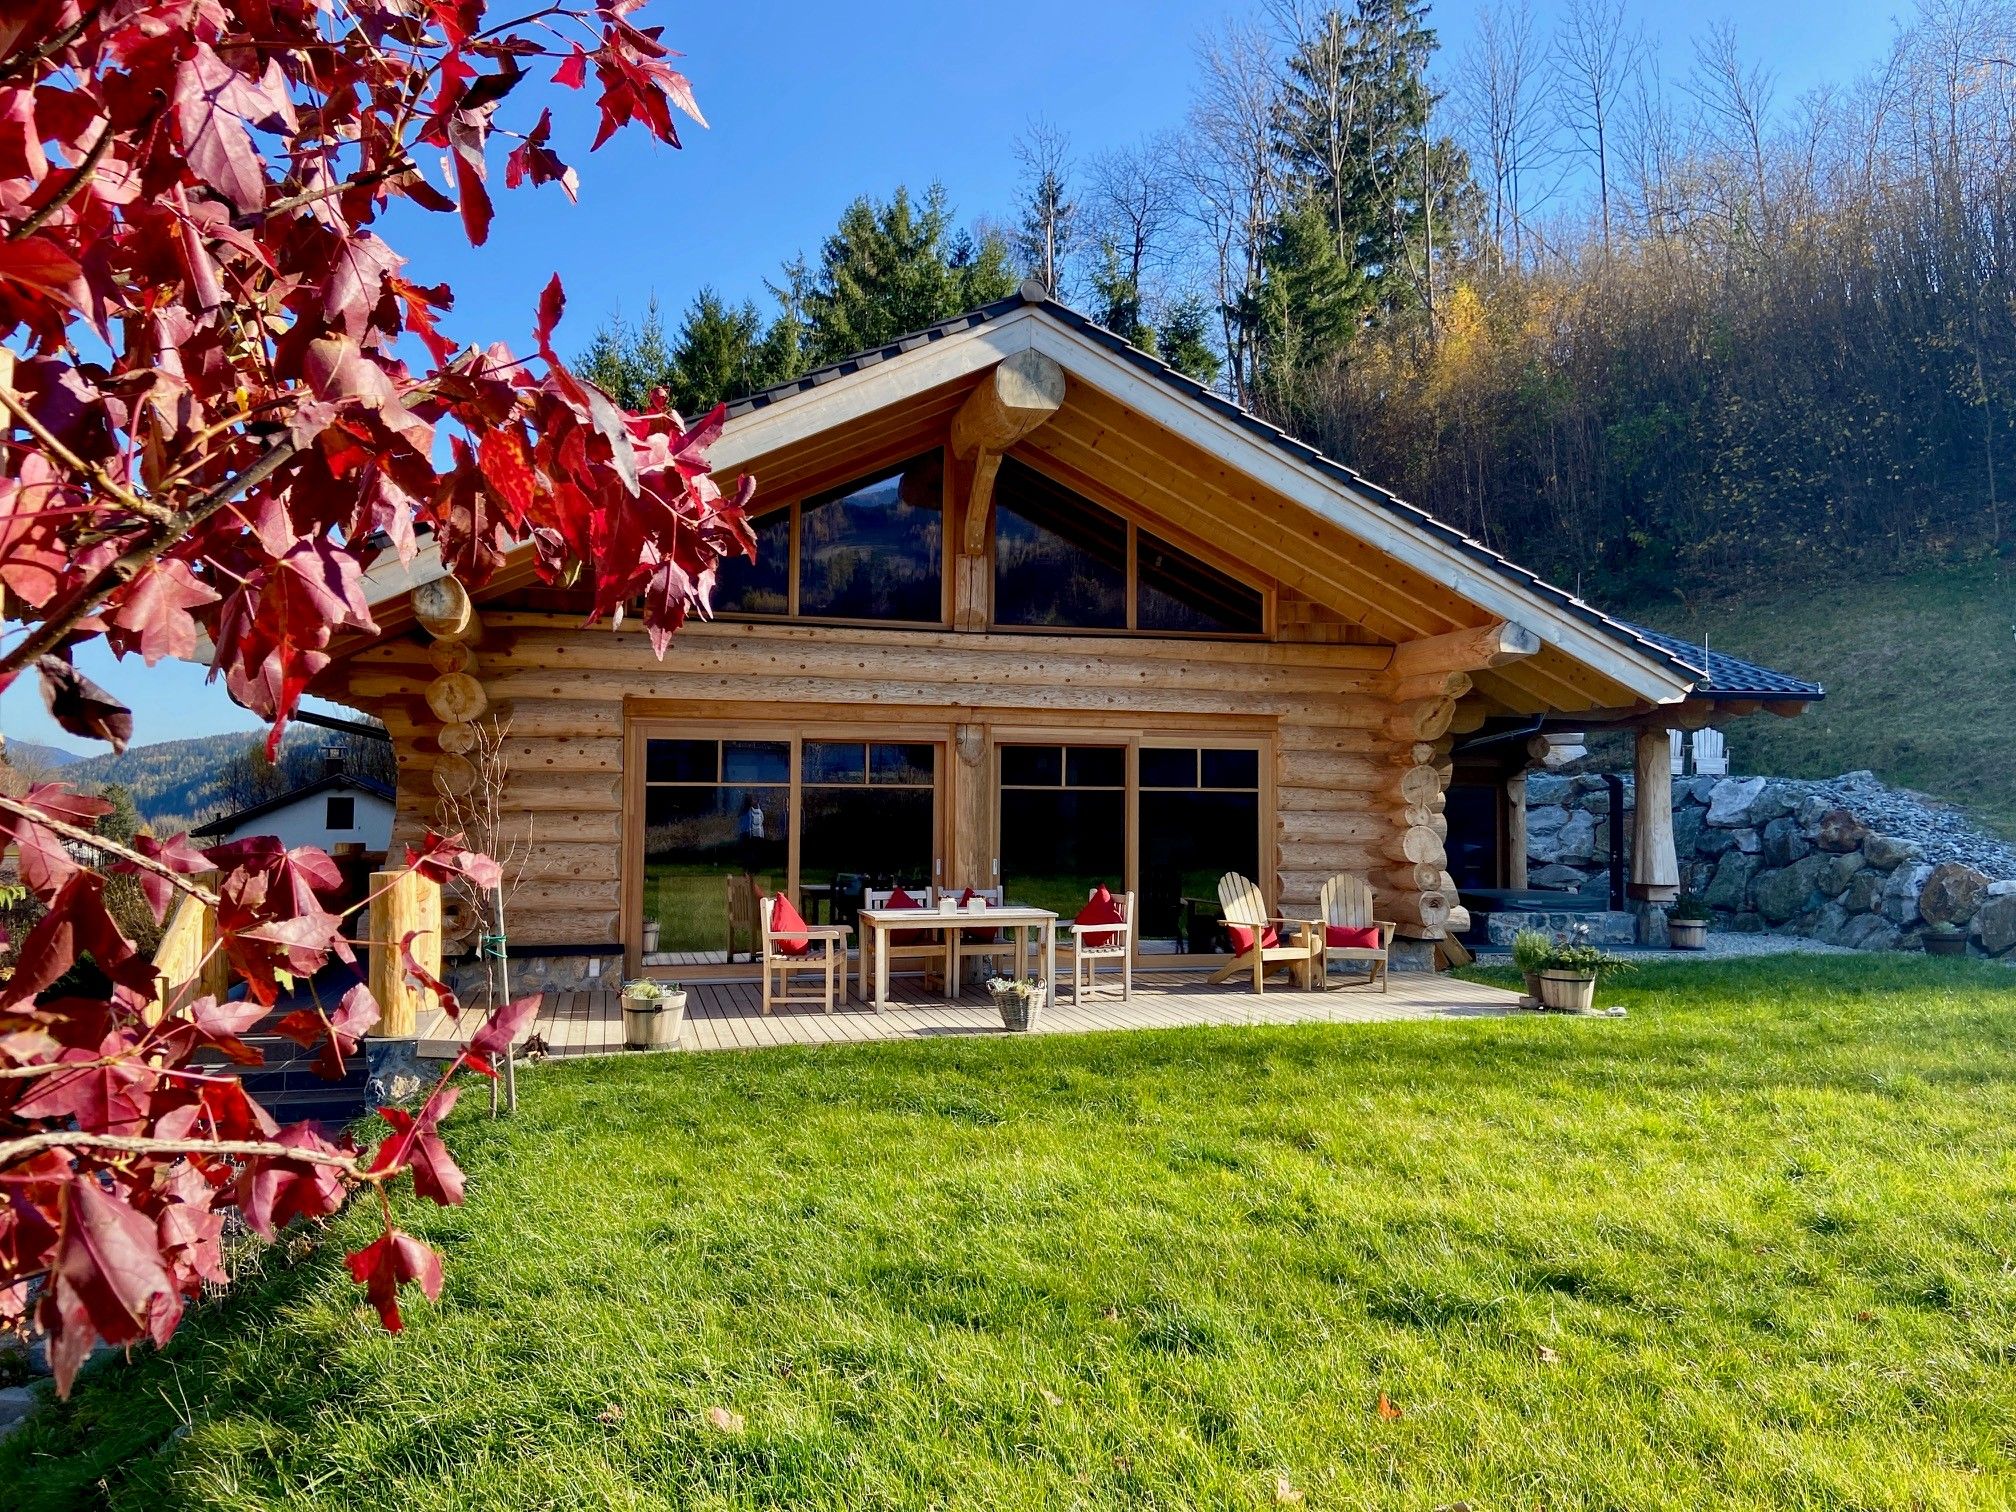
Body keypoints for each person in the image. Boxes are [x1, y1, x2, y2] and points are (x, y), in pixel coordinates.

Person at [737, 792, 765, 873]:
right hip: (753, 835)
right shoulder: (756, 811)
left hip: (746, 834)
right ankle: (752, 869)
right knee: (753, 854)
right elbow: (760, 821)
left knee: (747, 854)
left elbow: (744, 822)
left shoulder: (746, 811)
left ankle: (748, 869)